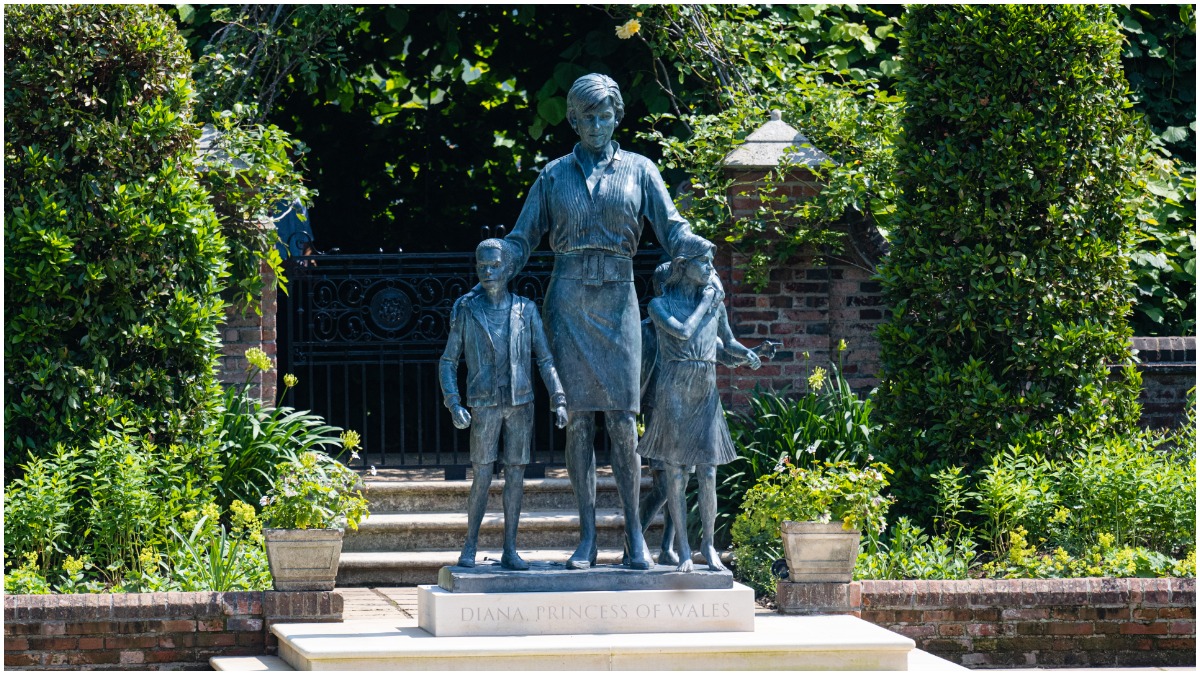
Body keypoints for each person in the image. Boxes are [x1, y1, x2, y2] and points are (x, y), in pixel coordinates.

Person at [500, 73, 705, 570]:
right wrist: (497, 259)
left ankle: (635, 535)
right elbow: (522, 238)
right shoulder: (552, 176)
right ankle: (588, 537)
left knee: (623, 421)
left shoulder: (640, 170)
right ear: (573, 120)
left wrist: (692, 243)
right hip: (567, 300)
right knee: (578, 423)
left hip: (618, 302)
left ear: (618, 117)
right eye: (587, 117)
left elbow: (671, 225)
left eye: (605, 115)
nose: (596, 124)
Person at [439, 239, 569, 570]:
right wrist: (453, 403)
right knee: (481, 476)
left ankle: (510, 548)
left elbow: (545, 358)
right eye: (482, 266)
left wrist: (558, 397)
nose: (488, 271)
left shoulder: (525, 310)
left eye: (494, 266)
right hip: (483, 404)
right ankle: (470, 545)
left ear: (508, 269)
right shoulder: (467, 310)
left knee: (515, 477)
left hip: (520, 404)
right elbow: (448, 361)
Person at [638, 238, 762, 572]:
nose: (711, 269)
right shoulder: (659, 305)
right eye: (704, 263)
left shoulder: (714, 304)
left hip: (706, 391)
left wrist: (744, 354)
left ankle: (708, 547)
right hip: (674, 390)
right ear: (683, 266)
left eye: (712, 263)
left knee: (708, 471)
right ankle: (683, 549)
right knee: (676, 474)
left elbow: (727, 342)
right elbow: (682, 332)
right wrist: (705, 303)